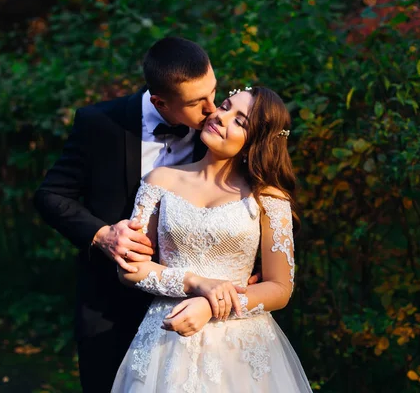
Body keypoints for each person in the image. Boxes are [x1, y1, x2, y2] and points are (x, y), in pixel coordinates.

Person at [33, 37, 257, 392]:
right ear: (160, 103)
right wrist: (101, 235)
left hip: (199, 316)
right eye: (198, 102)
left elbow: (252, 204)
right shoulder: (98, 124)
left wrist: (250, 269)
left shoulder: (220, 131)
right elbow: (50, 195)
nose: (212, 109)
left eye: (214, 92)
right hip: (110, 307)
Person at [111, 87, 313, 392]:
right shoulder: (160, 180)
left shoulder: (268, 199)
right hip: (166, 336)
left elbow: (280, 288)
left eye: (240, 121)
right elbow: (129, 268)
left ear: (255, 143)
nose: (220, 116)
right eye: (226, 106)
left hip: (239, 348)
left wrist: (210, 305)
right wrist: (195, 283)